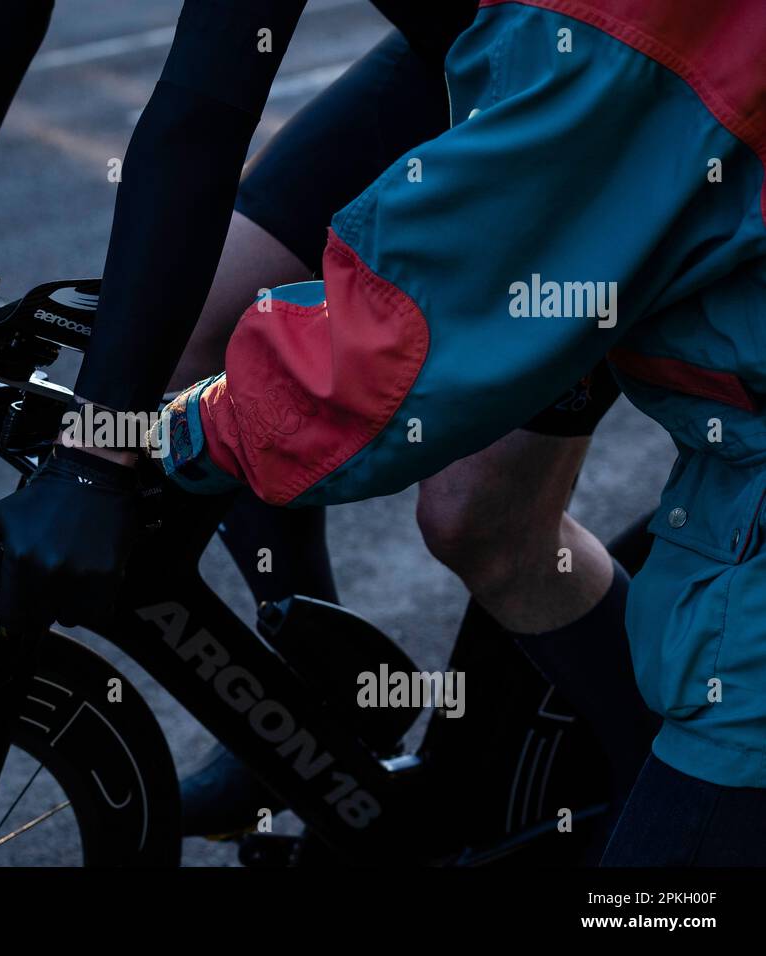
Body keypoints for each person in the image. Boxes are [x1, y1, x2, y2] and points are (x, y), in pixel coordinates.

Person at [0, 0, 648, 853]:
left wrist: (98, 454)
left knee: (482, 521)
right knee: (195, 346)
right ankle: (316, 702)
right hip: (471, 49)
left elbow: (199, 119)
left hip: (637, 77)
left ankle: (689, 818)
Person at [150, 0, 766, 864]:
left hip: (592, 79)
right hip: (523, 65)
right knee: (195, 327)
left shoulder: (627, 36)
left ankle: (641, 779)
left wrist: (167, 437)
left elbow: (402, 352)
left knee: (479, 515)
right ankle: (316, 687)